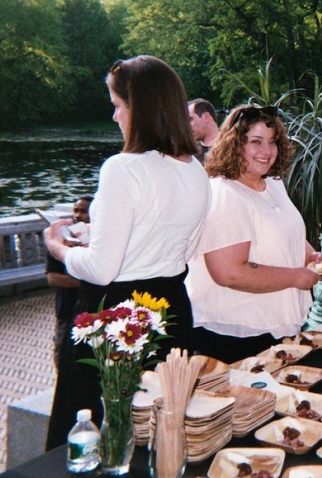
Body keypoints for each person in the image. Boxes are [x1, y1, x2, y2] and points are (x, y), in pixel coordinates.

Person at [43, 55, 211, 449]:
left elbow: (101, 269)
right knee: (158, 438)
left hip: (115, 318)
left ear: (141, 108)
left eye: (118, 106)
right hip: (169, 311)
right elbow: (184, 247)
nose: (114, 116)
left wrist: (58, 247)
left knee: (96, 434)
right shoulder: (195, 170)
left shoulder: (122, 168)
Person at [186, 103, 322, 364]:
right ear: (235, 144)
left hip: (271, 329)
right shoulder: (225, 194)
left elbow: (287, 230)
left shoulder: (272, 184)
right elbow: (228, 272)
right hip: (234, 334)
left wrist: (310, 255)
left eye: (272, 142)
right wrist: (296, 277)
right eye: (255, 142)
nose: (267, 151)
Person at [45, 195, 92, 370]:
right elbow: (52, 278)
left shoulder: (99, 242)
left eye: (83, 211)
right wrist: (86, 281)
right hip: (66, 310)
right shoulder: (61, 241)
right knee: (63, 358)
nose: (78, 215)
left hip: (92, 313)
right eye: (75, 211)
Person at [188, 98, 219, 164]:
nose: (187, 126)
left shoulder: (231, 148)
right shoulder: (190, 155)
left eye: (190, 119)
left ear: (206, 117)